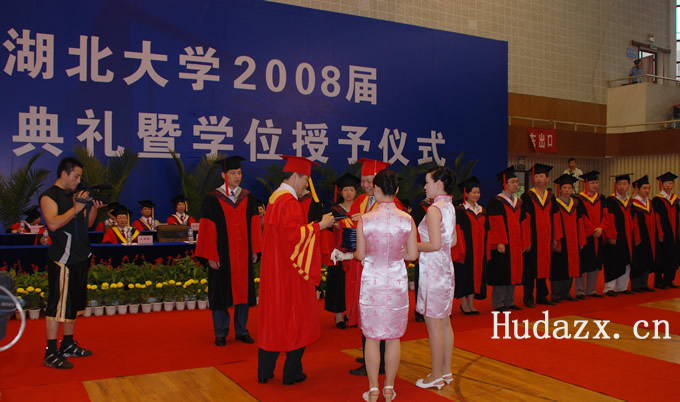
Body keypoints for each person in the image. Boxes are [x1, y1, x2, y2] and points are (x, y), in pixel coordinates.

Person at [257, 155, 334, 385]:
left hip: (274, 270)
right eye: (305, 181)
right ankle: (292, 373)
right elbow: (295, 237)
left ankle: (265, 372)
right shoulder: (289, 202)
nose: (305, 187)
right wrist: (321, 225)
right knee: (296, 318)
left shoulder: (274, 199)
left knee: (273, 319)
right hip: (290, 272)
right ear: (295, 176)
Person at [355, 169, 418, 402]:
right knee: (393, 338)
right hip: (396, 283)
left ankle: (373, 389)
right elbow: (412, 255)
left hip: (372, 282)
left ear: (376, 189)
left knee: (371, 337)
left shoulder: (365, 219)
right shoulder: (407, 219)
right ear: (397, 190)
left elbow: (360, 255)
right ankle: (389, 388)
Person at [39, 157, 104, 369]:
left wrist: (93, 207)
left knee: (73, 305)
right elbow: (53, 223)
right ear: (64, 174)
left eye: (80, 177)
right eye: (76, 176)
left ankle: (67, 344)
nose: (78, 181)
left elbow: (89, 223)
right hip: (62, 259)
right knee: (56, 306)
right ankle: (51, 351)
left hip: (80, 256)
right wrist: (76, 209)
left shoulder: (78, 196)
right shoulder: (49, 196)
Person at [195, 155, 262, 347]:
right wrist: (210, 255)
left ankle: (242, 330)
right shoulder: (212, 199)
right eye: (233, 173)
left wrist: (255, 250)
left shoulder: (248, 197)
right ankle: (221, 332)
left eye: (239, 173)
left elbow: (254, 225)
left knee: (243, 292)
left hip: (243, 253)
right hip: (221, 254)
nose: (237, 176)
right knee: (220, 293)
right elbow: (207, 228)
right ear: (224, 175)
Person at [414, 166, 456, 391]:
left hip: (433, 271)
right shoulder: (449, 206)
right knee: (444, 322)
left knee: (434, 325)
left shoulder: (434, 209)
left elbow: (435, 244)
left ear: (439, 183)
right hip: (446, 269)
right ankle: (446, 371)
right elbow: (452, 241)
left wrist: (411, 246)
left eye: (428, 182)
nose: (425, 186)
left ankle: (436, 375)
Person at [487, 166, 526, 312]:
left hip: (516, 243)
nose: (515, 184)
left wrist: (523, 241)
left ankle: (510, 301)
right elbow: (495, 224)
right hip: (503, 243)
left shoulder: (518, 202)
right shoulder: (496, 201)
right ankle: (499, 303)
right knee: (502, 272)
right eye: (512, 182)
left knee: (514, 271)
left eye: (516, 182)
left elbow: (523, 223)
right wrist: (499, 242)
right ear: (505, 183)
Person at [325, 173, 360, 329]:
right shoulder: (335, 211)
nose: (348, 193)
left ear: (356, 191)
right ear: (341, 192)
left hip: (357, 253)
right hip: (340, 253)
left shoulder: (360, 209)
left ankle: (351, 313)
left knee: (354, 284)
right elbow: (328, 233)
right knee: (340, 284)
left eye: (351, 190)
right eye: (345, 190)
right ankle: (339, 315)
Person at [521, 163, 555, 308]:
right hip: (533, 238)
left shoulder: (551, 197)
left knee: (544, 266)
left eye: (542, 176)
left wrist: (555, 238)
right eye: (536, 176)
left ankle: (542, 295)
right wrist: (527, 240)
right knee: (530, 268)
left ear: (547, 179)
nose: (539, 179)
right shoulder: (527, 196)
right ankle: (528, 296)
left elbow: (555, 218)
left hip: (546, 238)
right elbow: (525, 220)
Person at [453, 176, 487, 315]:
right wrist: (460, 250)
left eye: (478, 192)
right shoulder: (460, 210)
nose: (476, 195)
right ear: (466, 194)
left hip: (479, 249)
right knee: (464, 274)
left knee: (476, 275)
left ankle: (471, 302)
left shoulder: (482, 210)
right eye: (473, 192)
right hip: (466, 249)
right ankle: (463, 303)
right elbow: (458, 231)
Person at [550, 174, 584, 302]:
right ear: (560, 189)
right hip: (561, 239)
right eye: (564, 188)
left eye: (569, 188)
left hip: (573, 240)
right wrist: (556, 241)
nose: (567, 190)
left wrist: (581, 239)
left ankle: (566, 293)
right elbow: (553, 223)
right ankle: (555, 293)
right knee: (558, 267)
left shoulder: (576, 203)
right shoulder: (554, 203)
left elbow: (580, 222)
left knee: (572, 266)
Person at [602, 174, 638, 296]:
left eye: (624, 184)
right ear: (615, 185)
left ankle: (622, 287)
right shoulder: (610, 201)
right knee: (613, 261)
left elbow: (634, 220)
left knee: (626, 260)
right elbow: (609, 219)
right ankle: (609, 288)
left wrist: (636, 236)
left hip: (628, 236)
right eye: (619, 184)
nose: (622, 187)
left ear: (628, 185)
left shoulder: (630, 202)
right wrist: (611, 235)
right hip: (616, 237)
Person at [573, 171, 606, 298]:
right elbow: (582, 217)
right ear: (586, 184)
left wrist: (601, 228)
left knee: (596, 262)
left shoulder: (601, 198)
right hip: (585, 235)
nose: (595, 185)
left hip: (598, 235)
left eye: (596, 183)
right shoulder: (578, 199)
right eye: (592, 183)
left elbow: (605, 215)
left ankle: (591, 290)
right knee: (582, 262)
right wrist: (592, 230)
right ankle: (580, 290)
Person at [651, 172, 679, 289]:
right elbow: (656, 218)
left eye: (670, 183)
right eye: (666, 183)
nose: (668, 185)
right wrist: (660, 233)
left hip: (674, 233)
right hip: (664, 233)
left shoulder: (675, 199)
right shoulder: (657, 200)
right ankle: (658, 281)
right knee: (661, 256)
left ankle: (669, 279)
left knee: (673, 256)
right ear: (661, 184)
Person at [631, 175, 656, 293]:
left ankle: (644, 283)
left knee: (647, 258)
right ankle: (636, 285)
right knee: (639, 259)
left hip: (650, 236)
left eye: (648, 188)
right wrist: (636, 237)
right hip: (639, 237)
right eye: (644, 188)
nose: (647, 190)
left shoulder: (649, 203)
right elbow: (633, 222)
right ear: (638, 189)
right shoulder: (633, 204)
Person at [410, 197, 432, 323]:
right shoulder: (419, 209)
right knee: (422, 281)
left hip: (437, 253)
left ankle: (435, 309)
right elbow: (413, 232)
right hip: (423, 250)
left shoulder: (442, 208)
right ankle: (421, 310)